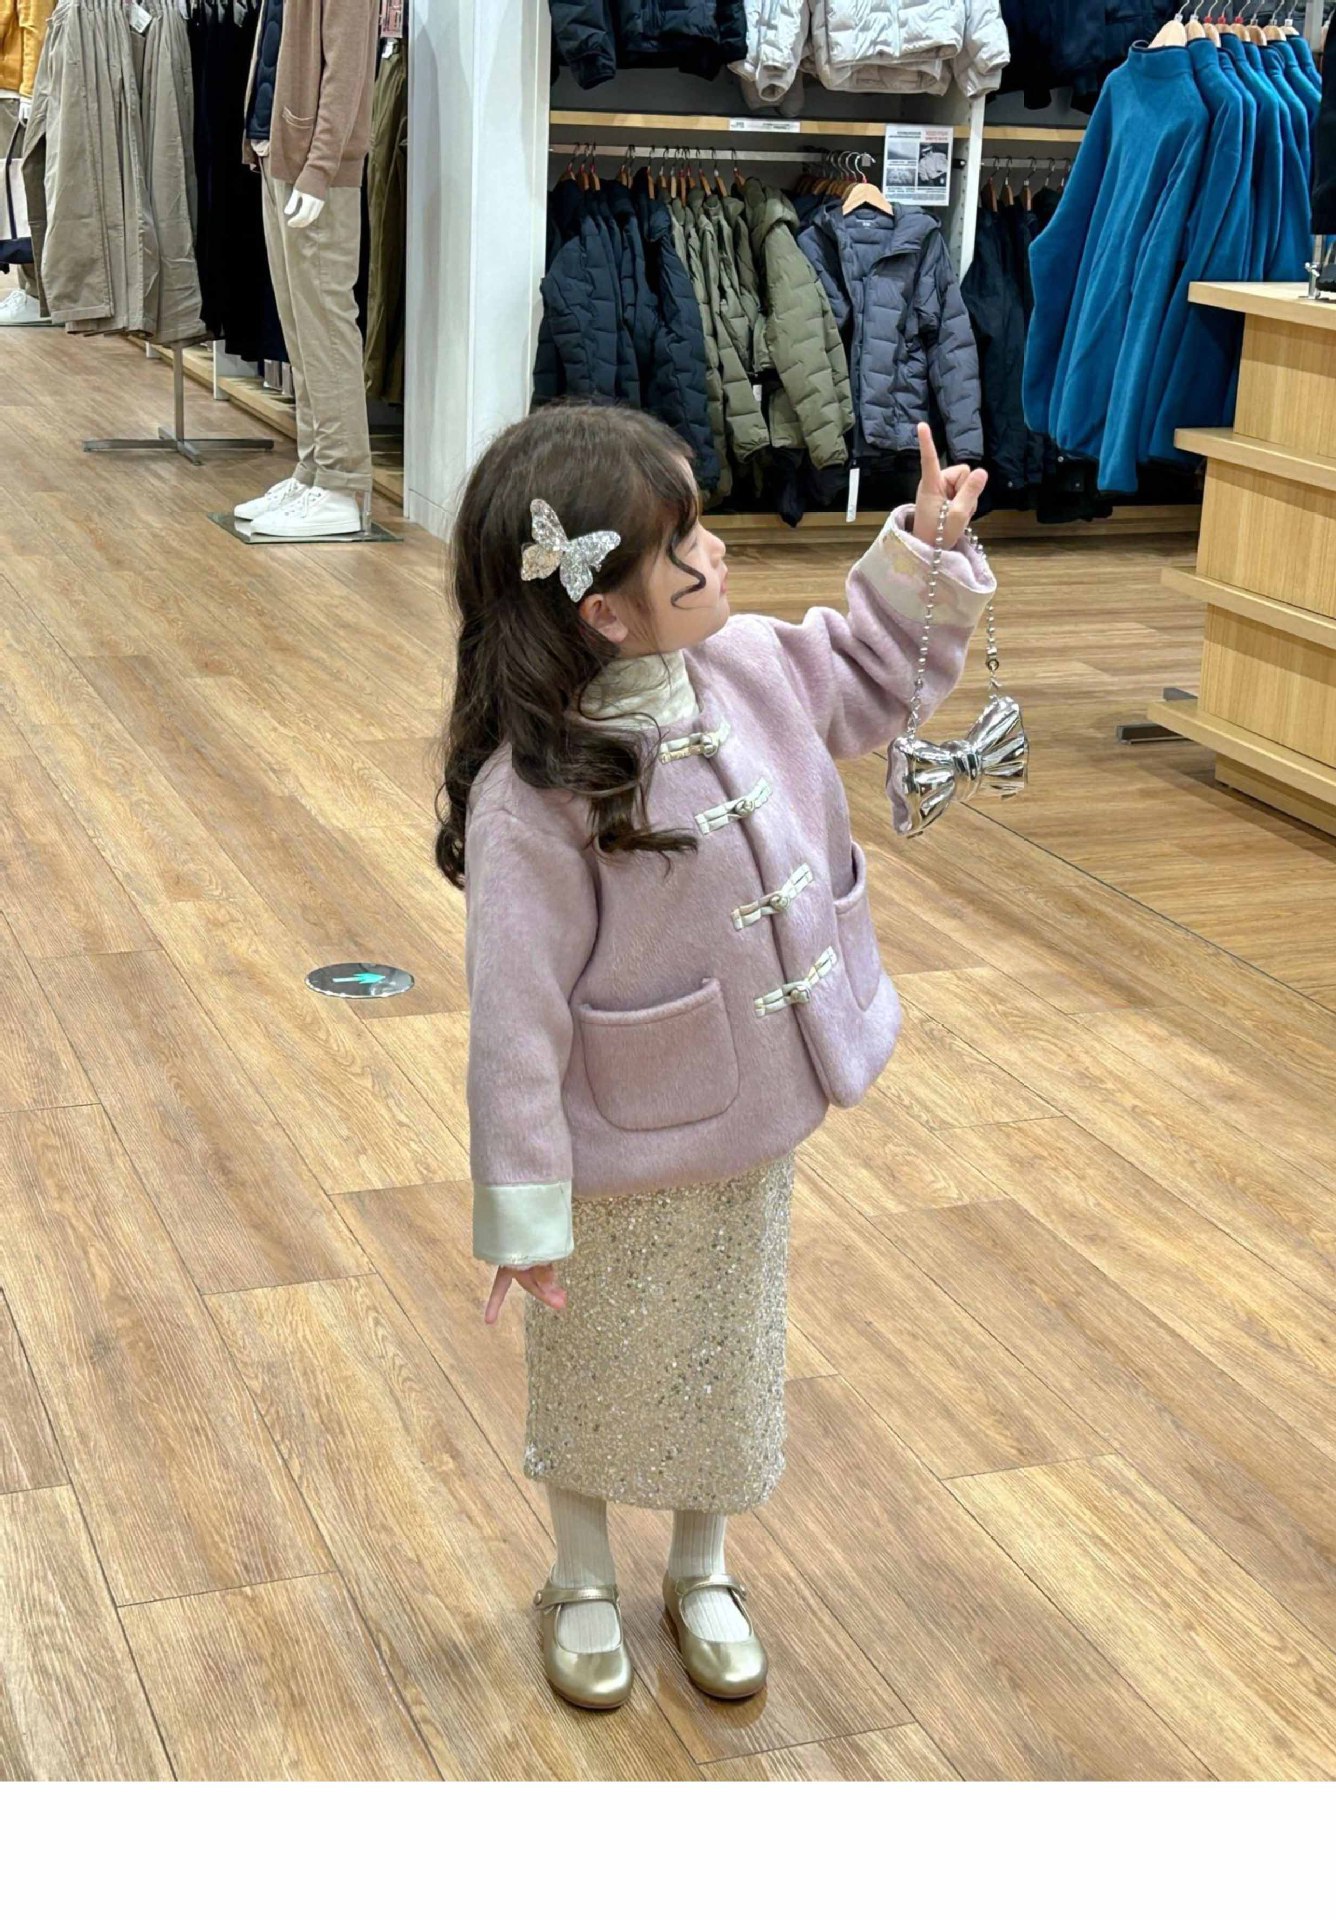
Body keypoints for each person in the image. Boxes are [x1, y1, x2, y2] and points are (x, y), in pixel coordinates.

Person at [435, 402, 993, 1712]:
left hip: (753, 1117)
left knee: (726, 1355)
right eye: (683, 544)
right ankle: (580, 1574)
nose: (718, 552)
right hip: (617, 1139)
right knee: (596, 1361)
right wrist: (524, 1207)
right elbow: (515, 1019)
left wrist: (923, 547)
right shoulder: (535, 791)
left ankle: (703, 1566)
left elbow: (870, 674)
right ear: (603, 612)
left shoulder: (745, 663)